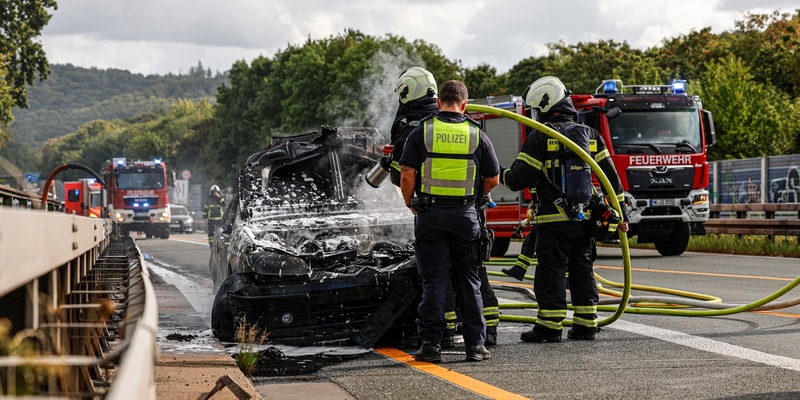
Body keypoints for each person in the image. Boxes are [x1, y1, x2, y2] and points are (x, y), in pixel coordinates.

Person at [499, 76, 628, 342]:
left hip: (553, 221)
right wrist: (622, 214)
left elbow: (516, 180)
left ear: (546, 104)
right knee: (582, 268)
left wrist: (496, 172)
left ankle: (549, 327)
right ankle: (586, 324)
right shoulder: (591, 135)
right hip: (585, 219)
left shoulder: (540, 136)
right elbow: (611, 179)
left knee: (552, 271)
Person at [391, 68, 500, 348]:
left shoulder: (421, 131)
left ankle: (432, 344)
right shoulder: (476, 133)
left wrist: (410, 202)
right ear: (464, 104)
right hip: (467, 216)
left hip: (430, 215)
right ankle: (477, 344)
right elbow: (493, 178)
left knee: (434, 281)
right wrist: (473, 196)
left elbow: (405, 174)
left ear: (440, 102)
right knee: (471, 279)